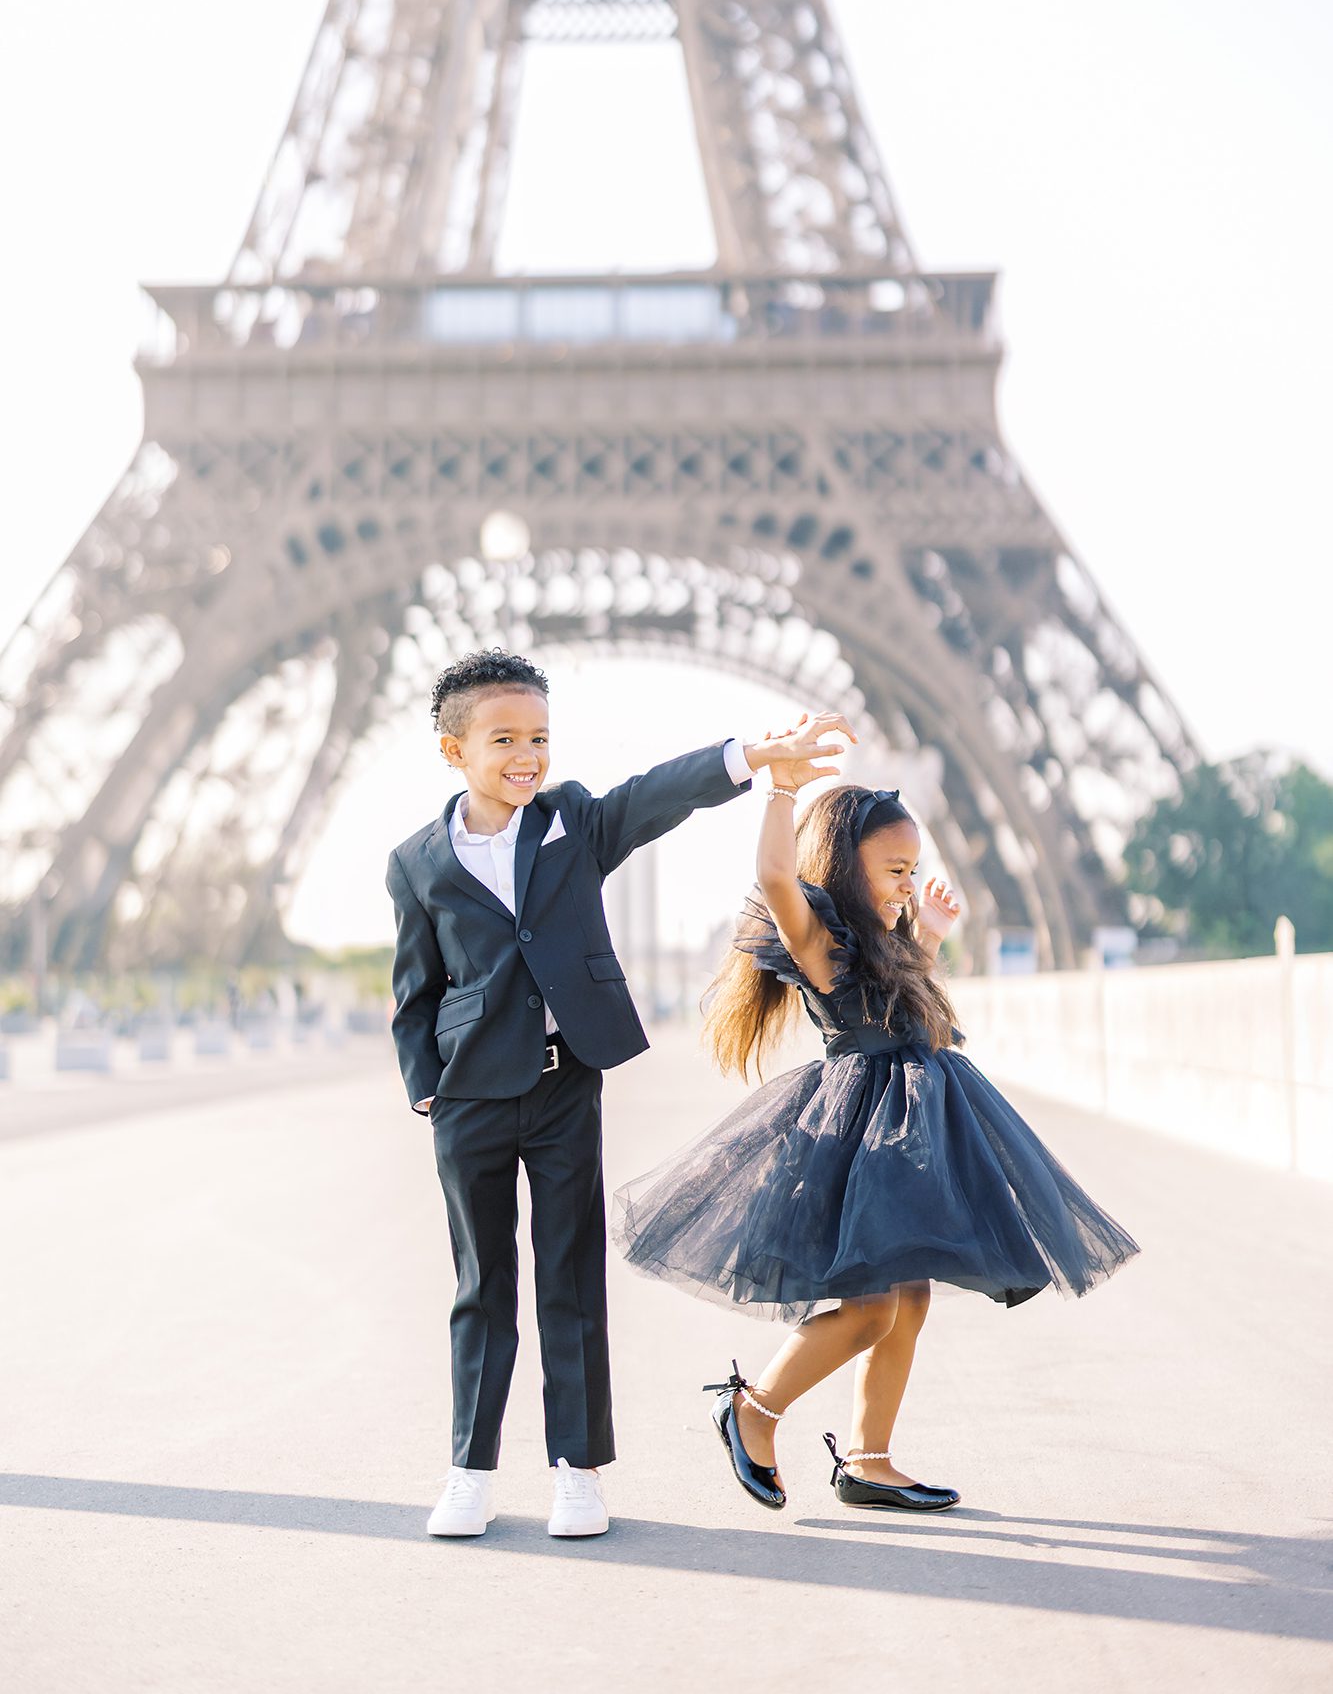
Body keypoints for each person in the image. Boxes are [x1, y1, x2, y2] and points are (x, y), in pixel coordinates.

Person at [613, 711, 1139, 1514]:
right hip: (855, 1135)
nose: (905, 880)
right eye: (892, 868)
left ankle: (869, 1460)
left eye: (912, 867)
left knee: (910, 1298)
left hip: (910, 1132)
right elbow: (779, 881)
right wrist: (779, 795)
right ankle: (751, 1410)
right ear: (844, 866)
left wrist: (925, 931)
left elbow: (905, 1015)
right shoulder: (820, 940)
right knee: (867, 1307)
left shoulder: (889, 944)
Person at [385, 649, 845, 1540]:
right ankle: (470, 1470)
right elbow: (416, 990)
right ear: (453, 751)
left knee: (570, 1280)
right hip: (470, 1097)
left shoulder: (573, 823)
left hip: (564, 1085)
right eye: (505, 739)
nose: (527, 756)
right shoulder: (413, 862)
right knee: (481, 1289)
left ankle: (577, 1471)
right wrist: (426, 1092)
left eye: (540, 738)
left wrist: (750, 755)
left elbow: (654, 793)